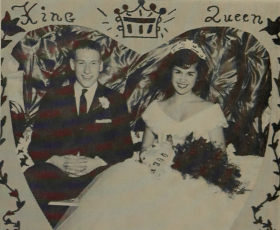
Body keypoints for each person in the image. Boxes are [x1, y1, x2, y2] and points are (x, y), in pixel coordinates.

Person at [57, 40, 261, 230]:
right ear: (170, 73)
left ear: (198, 76)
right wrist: (158, 158)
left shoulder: (210, 111)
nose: (183, 79)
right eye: (178, 72)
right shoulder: (156, 109)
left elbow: (219, 156)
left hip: (194, 180)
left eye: (189, 74)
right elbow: (145, 150)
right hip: (154, 176)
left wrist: (187, 161)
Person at [24, 40, 133, 226]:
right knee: (32, 177)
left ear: (101, 66)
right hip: (58, 175)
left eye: (93, 63)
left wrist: (96, 163)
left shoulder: (115, 100)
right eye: (81, 63)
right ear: (73, 65)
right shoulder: (54, 98)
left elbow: (125, 148)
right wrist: (58, 160)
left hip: (97, 177)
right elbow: (36, 146)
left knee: (123, 183)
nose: (87, 70)